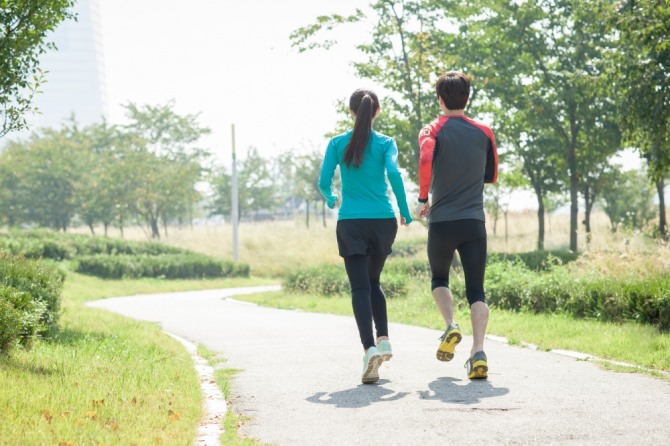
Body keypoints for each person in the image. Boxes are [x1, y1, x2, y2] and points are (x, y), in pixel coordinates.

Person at [319, 88, 413, 384]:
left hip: (352, 223)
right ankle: (383, 339)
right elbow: (395, 175)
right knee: (374, 281)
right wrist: (405, 209)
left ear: (351, 111)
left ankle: (369, 348)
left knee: (360, 287)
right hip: (384, 222)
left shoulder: (337, 143)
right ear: (377, 111)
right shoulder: (386, 143)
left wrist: (331, 197)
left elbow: (323, 181)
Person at [416, 71, 498, 379]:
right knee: (477, 290)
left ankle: (451, 326)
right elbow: (492, 175)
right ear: (467, 97)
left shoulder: (432, 129)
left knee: (439, 279)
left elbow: (425, 159)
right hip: (473, 221)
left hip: (442, 221)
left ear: (439, 98)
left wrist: (424, 197)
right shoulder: (484, 131)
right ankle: (478, 352)